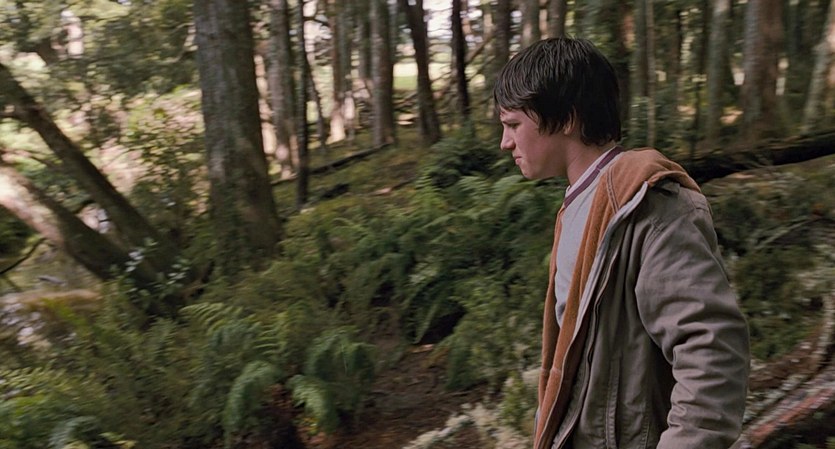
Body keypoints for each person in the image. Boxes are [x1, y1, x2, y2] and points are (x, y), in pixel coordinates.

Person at [493, 37, 750, 449]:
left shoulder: (653, 205)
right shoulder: (582, 203)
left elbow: (712, 351)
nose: (505, 142)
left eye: (513, 125)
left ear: (567, 119)